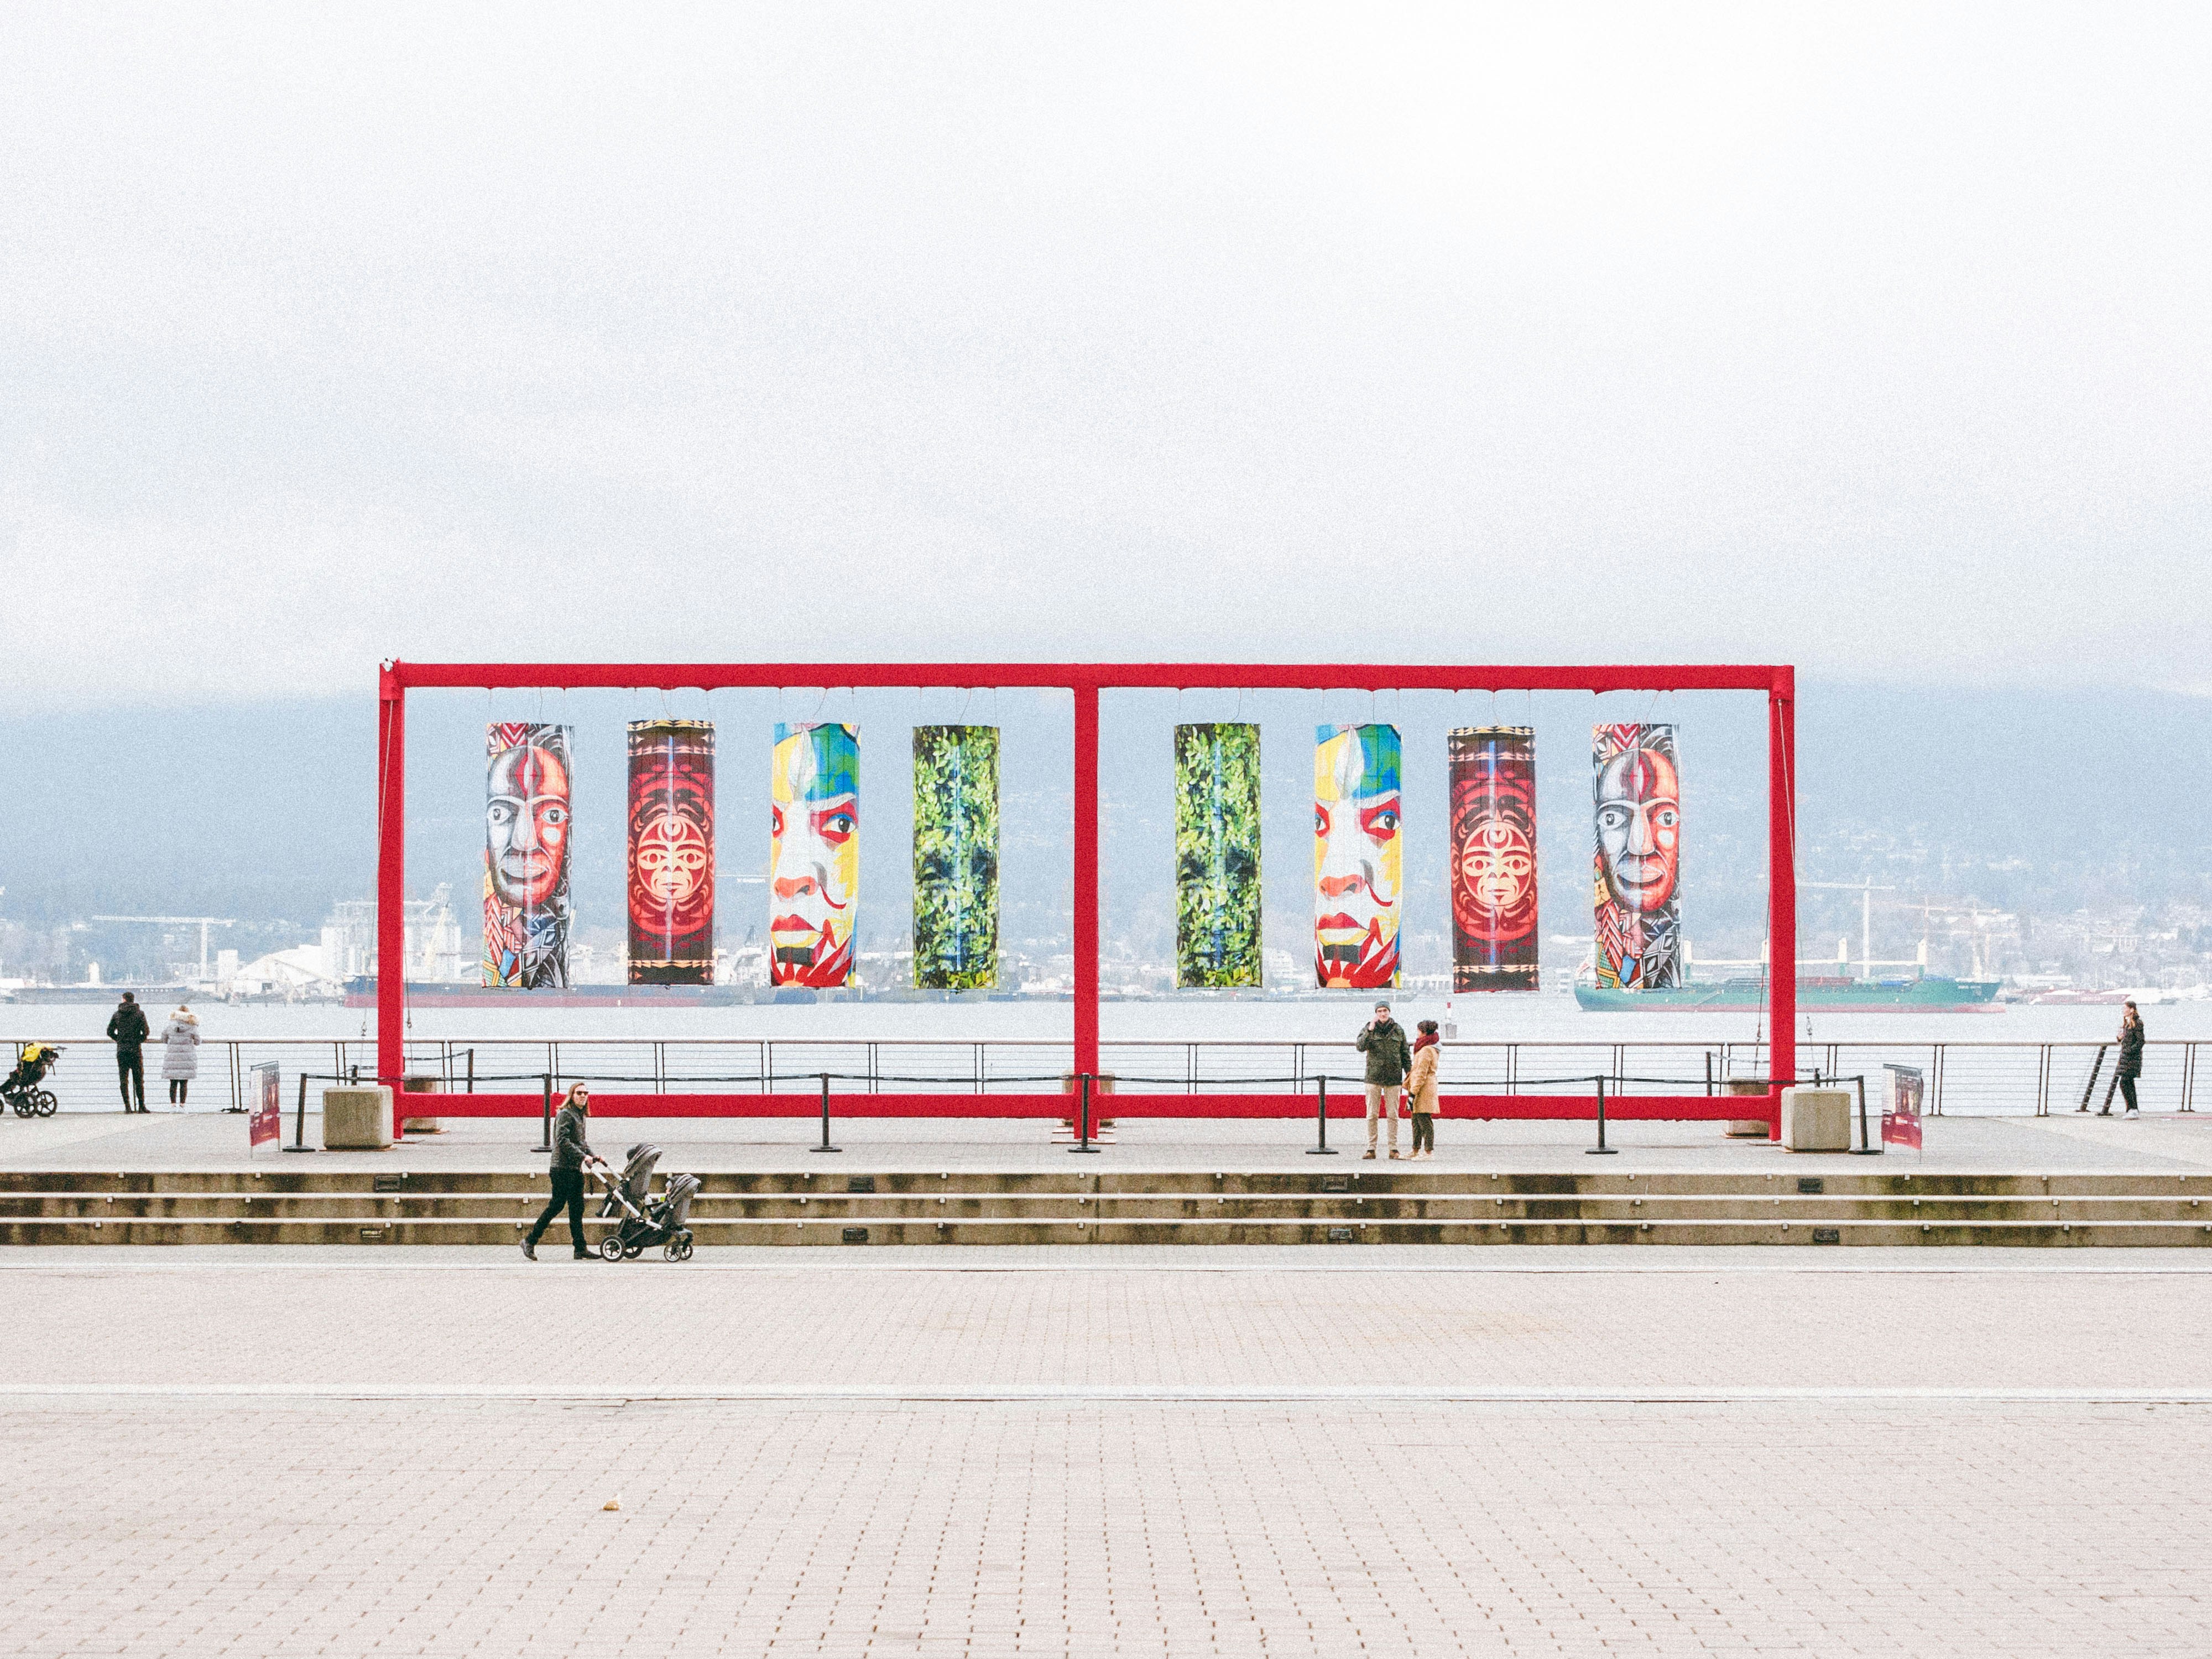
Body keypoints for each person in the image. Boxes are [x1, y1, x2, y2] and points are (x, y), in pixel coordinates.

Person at [523, 1083, 607, 1260]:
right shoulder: (565, 1114)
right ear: (572, 1095)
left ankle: (580, 1248)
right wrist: (583, 1157)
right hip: (561, 1169)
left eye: (586, 1093)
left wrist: (593, 1155)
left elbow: (581, 1143)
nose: (583, 1096)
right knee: (557, 1206)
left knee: (577, 1209)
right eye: (579, 1093)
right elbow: (562, 1141)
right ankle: (530, 1240)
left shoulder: (580, 1115)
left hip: (574, 1169)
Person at [1354, 999, 1411, 1160]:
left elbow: (1405, 1054)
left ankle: (1393, 1148)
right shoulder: (1369, 1028)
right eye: (1379, 1011)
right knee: (1372, 1114)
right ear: (1376, 1013)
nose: (1383, 1014)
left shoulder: (1398, 1030)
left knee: (1393, 1115)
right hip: (1373, 1077)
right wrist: (1370, 1031)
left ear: (1389, 1012)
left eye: (1385, 1010)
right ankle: (1371, 1148)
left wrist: (1409, 1074)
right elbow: (1360, 1046)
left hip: (1394, 1079)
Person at [106, 992, 150, 1113]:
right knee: (139, 1079)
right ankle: (141, 1106)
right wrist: (138, 1041)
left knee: (124, 1080)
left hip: (122, 1050)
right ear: (133, 1000)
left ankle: (128, 1107)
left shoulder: (117, 1014)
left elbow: (109, 1031)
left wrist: (119, 1040)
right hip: (135, 1050)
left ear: (124, 1000)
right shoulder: (140, 1014)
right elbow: (146, 1032)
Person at [1405, 1019, 1441, 1159]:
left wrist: (1413, 1093)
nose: (1417, 1034)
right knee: (1416, 1120)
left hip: (1423, 1089)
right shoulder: (1430, 1047)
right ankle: (1415, 1150)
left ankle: (1428, 1152)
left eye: (1418, 1031)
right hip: (1423, 1087)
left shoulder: (1426, 1050)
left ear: (1423, 1032)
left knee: (1424, 1121)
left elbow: (1421, 1073)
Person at [2107, 1001, 2146, 1117]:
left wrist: (2129, 1051)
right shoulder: (2127, 1024)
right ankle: (2132, 1109)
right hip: (2126, 1058)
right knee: (2128, 1082)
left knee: (2125, 1082)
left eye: (2125, 1008)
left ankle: (2132, 1109)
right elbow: (2127, 1040)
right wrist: (2119, 1039)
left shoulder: (2137, 1023)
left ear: (2132, 1009)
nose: (2123, 1010)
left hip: (2132, 1058)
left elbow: (2140, 1041)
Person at [159, 1004, 200, 1106]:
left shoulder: (170, 1026)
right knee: (184, 1083)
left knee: (173, 1083)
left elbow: (163, 1039)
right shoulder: (192, 1026)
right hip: (187, 1057)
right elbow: (198, 1042)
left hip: (172, 1057)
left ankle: (173, 1105)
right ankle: (182, 1105)